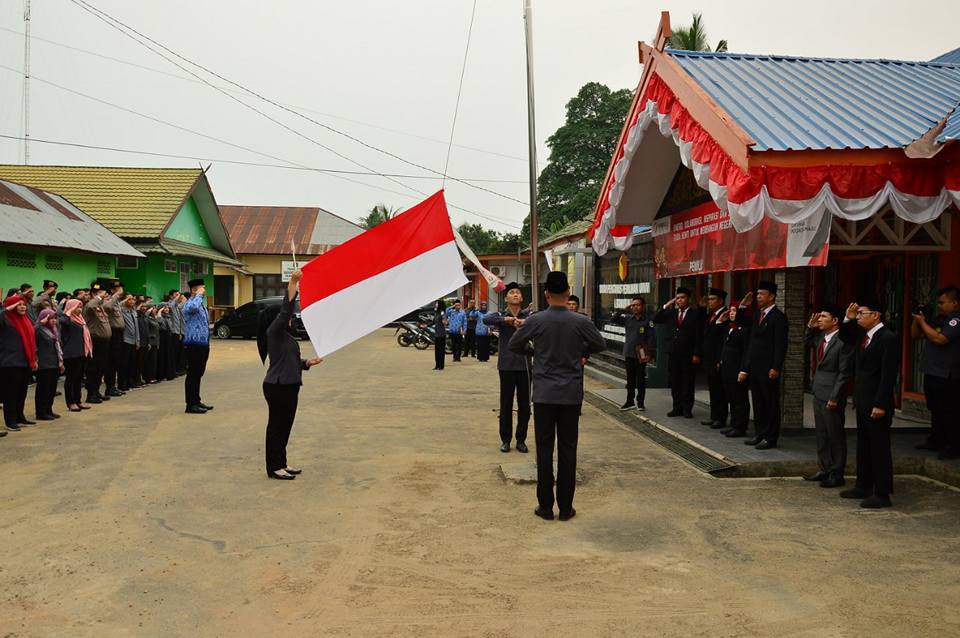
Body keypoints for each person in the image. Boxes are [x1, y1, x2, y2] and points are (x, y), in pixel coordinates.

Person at [508, 271, 605, 522]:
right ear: (567, 292)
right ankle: (565, 507)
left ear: (546, 294)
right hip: (571, 394)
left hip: (543, 393)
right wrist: (579, 352)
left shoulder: (536, 320)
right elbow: (600, 345)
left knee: (544, 449)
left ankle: (545, 507)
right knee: (568, 449)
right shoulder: (580, 321)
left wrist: (535, 353)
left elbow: (514, 345)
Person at [259, 269, 323, 480]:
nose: (289, 318)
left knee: (285, 426)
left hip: (289, 384)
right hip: (278, 386)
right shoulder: (274, 332)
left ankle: (282, 463)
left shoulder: (285, 336)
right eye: (282, 317)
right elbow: (286, 310)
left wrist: (307, 363)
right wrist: (294, 282)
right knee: (276, 427)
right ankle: (274, 467)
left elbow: (287, 359)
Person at [839, 300, 900, 508]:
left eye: (862, 314)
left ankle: (882, 493)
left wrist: (881, 403)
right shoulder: (863, 336)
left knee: (879, 448)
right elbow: (844, 336)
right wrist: (847, 317)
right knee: (864, 445)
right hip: (862, 400)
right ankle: (863, 485)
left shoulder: (888, 338)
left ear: (876, 315)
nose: (859, 317)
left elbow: (888, 374)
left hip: (877, 402)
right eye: (857, 315)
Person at [803, 304, 854, 488]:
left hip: (832, 393)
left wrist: (835, 396)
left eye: (824, 316)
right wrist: (810, 326)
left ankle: (837, 473)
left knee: (835, 435)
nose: (820, 319)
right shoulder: (821, 337)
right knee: (822, 434)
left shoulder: (843, 341)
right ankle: (824, 469)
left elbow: (844, 372)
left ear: (835, 321)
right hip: (818, 391)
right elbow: (807, 341)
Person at [911, 285, 960, 459]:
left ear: (955, 303)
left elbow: (941, 339)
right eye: (938, 303)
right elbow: (915, 335)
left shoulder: (956, 320)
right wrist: (918, 319)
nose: (939, 306)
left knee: (949, 411)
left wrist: (923, 323)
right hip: (932, 371)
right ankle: (936, 440)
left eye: (942, 302)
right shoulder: (937, 319)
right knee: (935, 408)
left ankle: (953, 445)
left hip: (948, 374)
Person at [738, 281, 788, 450]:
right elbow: (747, 333)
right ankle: (759, 434)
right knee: (758, 402)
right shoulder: (757, 315)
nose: (758, 297)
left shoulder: (778, 317)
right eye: (757, 294)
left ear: (772, 296)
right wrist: (743, 306)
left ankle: (771, 437)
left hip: (769, 369)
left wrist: (776, 367)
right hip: (755, 368)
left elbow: (781, 345)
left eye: (762, 294)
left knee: (770, 403)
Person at [484, 283, 531, 453]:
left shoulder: (529, 316)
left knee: (525, 405)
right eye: (511, 293)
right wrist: (506, 320)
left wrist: (524, 322)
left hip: (525, 365)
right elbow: (486, 320)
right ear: (506, 298)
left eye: (518, 292)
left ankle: (521, 439)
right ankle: (505, 439)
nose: (515, 295)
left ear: (522, 298)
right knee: (506, 404)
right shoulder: (500, 316)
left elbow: (540, 320)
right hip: (506, 365)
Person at [653, 287, 702, 418]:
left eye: (683, 298)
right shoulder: (671, 313)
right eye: (678, 298)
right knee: (675, 381)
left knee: (687, 382)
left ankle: (687, 409)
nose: (680, 300)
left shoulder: (695, 314)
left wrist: (696, 353)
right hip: (673, 353)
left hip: (688, 353)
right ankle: (677, 407)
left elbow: (698, 335)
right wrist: (666, 306)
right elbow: (656, 319)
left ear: (688, 299)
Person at [0, 293, 38, 431]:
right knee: (11, 393)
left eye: (23, 304)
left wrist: (34, 359)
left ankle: (19, 416)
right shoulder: (6, 318)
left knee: (22, 391)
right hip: (10, 362)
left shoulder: (26, 320)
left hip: (25, 361)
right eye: (18, 304)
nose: (22, 307)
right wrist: (8, 308)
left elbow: (32, 341)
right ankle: (10, 420)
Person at [716, 303, 751, 438]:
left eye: (734, 311)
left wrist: (744, 370)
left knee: (739, 398)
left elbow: (746, 351)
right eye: (730, 310)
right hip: (726, 368)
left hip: (738, 369)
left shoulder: (744, 330)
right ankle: (733, 423)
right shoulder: (729, 328)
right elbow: (719, 340)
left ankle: (740, 427)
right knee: (731, 397)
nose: (731, 313)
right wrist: (720, 321)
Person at [182, 279, 212, 414]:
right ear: (194, 290)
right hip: (193, 344)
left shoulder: (201, 304)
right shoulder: (190, 303)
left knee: (198, 373)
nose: (204, 291)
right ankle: (190, 404)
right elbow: (191, 308)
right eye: (202, 288)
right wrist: (198, 295)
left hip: (203, 343)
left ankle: (196, 400)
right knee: (193, 374)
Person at [700, 288, 729, 429]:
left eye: (713, 299)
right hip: (708, 358)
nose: (710, 302)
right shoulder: (711, 315)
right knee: (713, 388)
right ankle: (714, 416)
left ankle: (721, 418)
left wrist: (719, 359)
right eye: (709, 299)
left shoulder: (726, 315)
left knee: (720, 390)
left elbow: (722, 340)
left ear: (721, 301)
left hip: (718, 359)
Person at [618, 297, 652, 411]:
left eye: (637, 305)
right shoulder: (628, 318)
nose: (634, 307)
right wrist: (623, 310)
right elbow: (613, 319)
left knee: (640, 380)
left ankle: (640, 402)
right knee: (630, 379)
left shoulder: (647, 320)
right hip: (629, 353)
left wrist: (649, 354)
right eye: (632, 305)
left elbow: (651, 338)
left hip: (641, 354)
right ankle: (629, 402)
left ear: (643, 306)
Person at [60, 299, 92, 412]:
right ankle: (70, 402)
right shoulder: (68, 320)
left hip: (82, 352)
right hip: (71, 354)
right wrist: (69, 311)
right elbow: (62, 321)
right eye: (77, 307)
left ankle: (78, 401)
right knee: (71, 379)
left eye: (80, 307)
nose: (79, 309)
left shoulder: (81, 320)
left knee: (78, 378)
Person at [83, 282, 112, 404]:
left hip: (104, 342)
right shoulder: (89, 306)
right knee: (93, 369)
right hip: (95, 341)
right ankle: (91, 394)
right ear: (92, 295)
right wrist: (99, 297)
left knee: (101, 368)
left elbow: (110, 306)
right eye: (98, 293)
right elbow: (90, 305)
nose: (103, 295)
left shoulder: (100, 307)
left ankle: (96, 391)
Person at [34, 308, 64, 421]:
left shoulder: (54, 331)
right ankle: (41, 412)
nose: (53, 321)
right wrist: (40, 323)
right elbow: (32, 333)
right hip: (43, 363)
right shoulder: (39, 329)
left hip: (54, 363)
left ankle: (48, 409)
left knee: (51, 389)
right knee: (43, 389)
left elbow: (58, 347)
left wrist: (60, 362)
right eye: (50, 318)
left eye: (55, 318)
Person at [104, 281, 125, 398]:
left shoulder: (117, 302)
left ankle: (113, 386)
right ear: (112, 290)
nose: (120, 291)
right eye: (118, 289)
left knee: (116, 361)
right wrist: (115, 295)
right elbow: (106, 307)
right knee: (111, 362)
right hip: (113, 333)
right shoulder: (108, 300)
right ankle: (109, 387)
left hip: (119, 333)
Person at [119, 294, 140, 392]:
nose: (132, 301)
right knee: (124, 364)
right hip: (125, 340)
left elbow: (136, 327)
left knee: (132, 363)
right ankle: (122, 384)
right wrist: (124, 300)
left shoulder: (134, 311)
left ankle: (130, 382)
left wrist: (138, 340)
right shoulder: (121, 310)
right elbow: (118, 305)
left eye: (133, 299)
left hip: (134, 340)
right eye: (129, 299)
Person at [144, 306, 160, 384]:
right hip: (150, 341)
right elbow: (147, 330)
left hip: (155, 341)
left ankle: (153, 377)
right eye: (153, 308)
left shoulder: (155, 318)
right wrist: (149, 342)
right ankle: (148, 378)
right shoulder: (148, 318)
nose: (155, 310)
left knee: (154, 360)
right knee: (149, 360)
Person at [433, 299, 447, 371]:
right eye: (435, 303)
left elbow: (445, 322)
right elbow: (433, 322)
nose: (436, 305)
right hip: (436, 334)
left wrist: (444, 321)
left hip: (441, 334)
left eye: (437, 303)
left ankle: (441, 366)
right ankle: (437, 365)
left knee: (441, 351)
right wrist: (426, 325)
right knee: (437, 351)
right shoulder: (436, 313)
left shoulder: (442, 312)